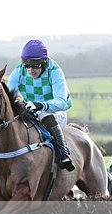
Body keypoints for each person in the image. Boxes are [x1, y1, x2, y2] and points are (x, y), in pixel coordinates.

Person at [5, 39, 74, 171]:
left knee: (43, 113)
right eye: (27, 66)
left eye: (35, 66)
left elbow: (62, 102)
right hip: (31, 111)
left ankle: (63, 152)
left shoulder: (54, 70)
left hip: (55, 112)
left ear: (44, 62)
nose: (31, 70)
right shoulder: (19, 71)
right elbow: (10, 97)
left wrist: (42, 105)